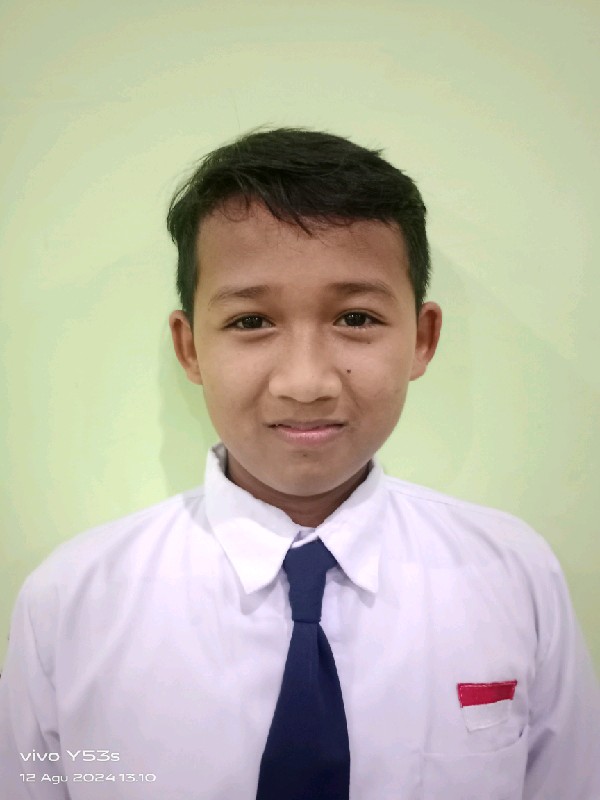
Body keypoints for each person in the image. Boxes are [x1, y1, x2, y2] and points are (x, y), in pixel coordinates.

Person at [0, 125, 598, 800]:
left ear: (423, 338)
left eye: (356, 318)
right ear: (190, 347)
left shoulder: (515, 578)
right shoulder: (71, 607)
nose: (306, 382)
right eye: (251, 322)